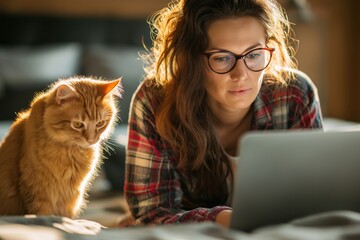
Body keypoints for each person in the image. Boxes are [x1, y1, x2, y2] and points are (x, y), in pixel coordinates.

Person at [123, 0, 323, 228]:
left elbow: (314, 201)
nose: (241, 74)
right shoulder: (154, 101)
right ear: (192, 60)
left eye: (254, 54)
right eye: (221, 58)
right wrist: (220, 218)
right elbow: (151, 211)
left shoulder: (295, 93)